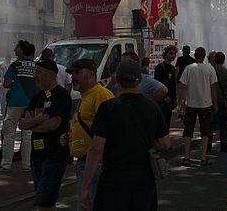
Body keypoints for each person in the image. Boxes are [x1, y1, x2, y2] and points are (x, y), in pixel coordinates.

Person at [81, 59, 170, 211]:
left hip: (113, 181)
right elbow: (165, 144)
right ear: (140, 80)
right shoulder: (152, 107)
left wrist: (86, 185)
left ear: (117, 79)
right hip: (144, 181)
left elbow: (96, 150)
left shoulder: (108, 108)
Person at [61, 59, 114, 211]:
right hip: (86, 163)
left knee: (87, 206)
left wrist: (100, 160)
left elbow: (111, 130)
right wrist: (70, 136)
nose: (73, 77)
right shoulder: (85, 96)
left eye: (77, 73)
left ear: (91, 74)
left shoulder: (101, 95)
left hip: (94, 164)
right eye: (72, 74)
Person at [18, 59, 71, 211]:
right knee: (42, 197)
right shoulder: (37, 96)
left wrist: (33, 124)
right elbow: (22, 123)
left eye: (38, 72)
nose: (35, 75)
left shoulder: (62, 95)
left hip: (54, 155)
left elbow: (53, 125)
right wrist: (41, 119)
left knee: (45, 201)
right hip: (37, 156)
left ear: (51, 74)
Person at [0, 40, 37, 172]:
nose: (14, 50)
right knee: (27, 134)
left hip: (15, 102)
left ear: (22, 50)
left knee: (9, 134)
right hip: (31, 103)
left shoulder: (15, 65)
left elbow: (6, 84)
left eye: (16, 48)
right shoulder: (36, 66)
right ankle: (27, 165)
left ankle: (5, 165)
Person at [178, 46, 218, 166]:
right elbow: (213, 88)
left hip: (191, 103)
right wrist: (215, 104)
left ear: (195, 56)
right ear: (204, 56)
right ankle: (203, 157)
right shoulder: (209, 69)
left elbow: (183, 87)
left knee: (188, 130)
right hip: (206, 103)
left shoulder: (188, 69)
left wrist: (181, 104)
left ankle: (186, 156)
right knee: (205, 130)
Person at [210, 51, 227, 152]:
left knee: (210, 124)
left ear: (215, 59)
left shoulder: (210, 71)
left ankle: (207, 147)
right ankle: (223, 146)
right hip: (222, 101)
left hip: (210, 100)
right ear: (224, 60)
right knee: (223, 124)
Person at [154, 45, 178, 130]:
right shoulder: (160, 67)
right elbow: (157, 83)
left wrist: (175, 98)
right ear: (166, 54)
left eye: (174, 54)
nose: (173, 55)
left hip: (170, 100)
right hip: (162, 101)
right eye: (170, 53)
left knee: (167, 123)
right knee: (161, 123)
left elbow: (173, 84)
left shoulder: (172, 68)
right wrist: (164, 97)